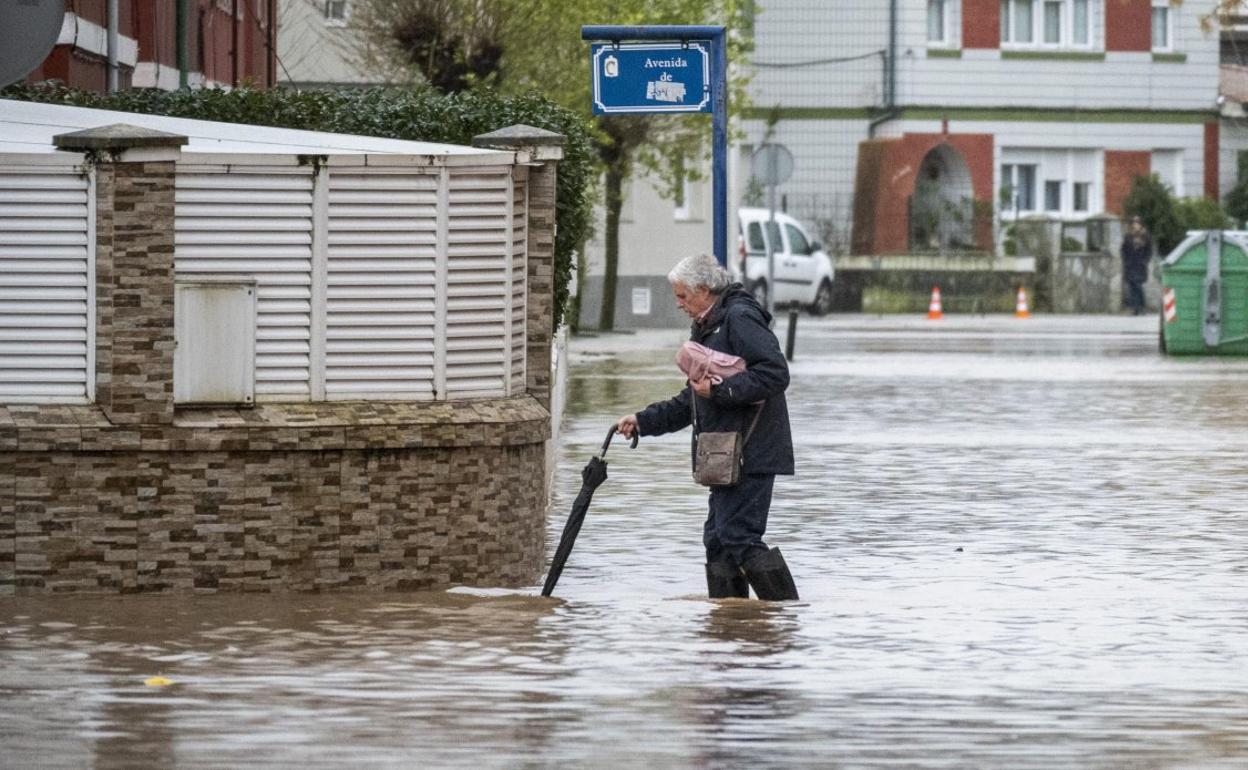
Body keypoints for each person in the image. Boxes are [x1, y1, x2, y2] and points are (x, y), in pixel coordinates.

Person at [615, 254, 799, 601]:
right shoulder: (709, 326)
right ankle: (731, 622)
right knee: (717, 540)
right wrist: (643, 421)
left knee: (738, 536)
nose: (678, 303)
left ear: (703, 289)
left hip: (751, 452)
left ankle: (785, 614)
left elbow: (776, 374)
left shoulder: (740, 318)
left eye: (682, 295)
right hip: (725, 456)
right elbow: (693, 401)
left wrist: (720, 390)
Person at [1121, 215, 1153, 316]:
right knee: (1132, 287)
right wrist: (1125, 260)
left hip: (1140, 265)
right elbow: (1123, 249)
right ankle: (1134, 309)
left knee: (1138, 286)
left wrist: (1145, 261)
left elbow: (1149, 251)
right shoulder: (1128, 236)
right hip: (1130, 265)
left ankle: (1141, 307)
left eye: (1137, 223)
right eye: (1134, 223)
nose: (1136, 225)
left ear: (1141, 225)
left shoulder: (1145, 236)